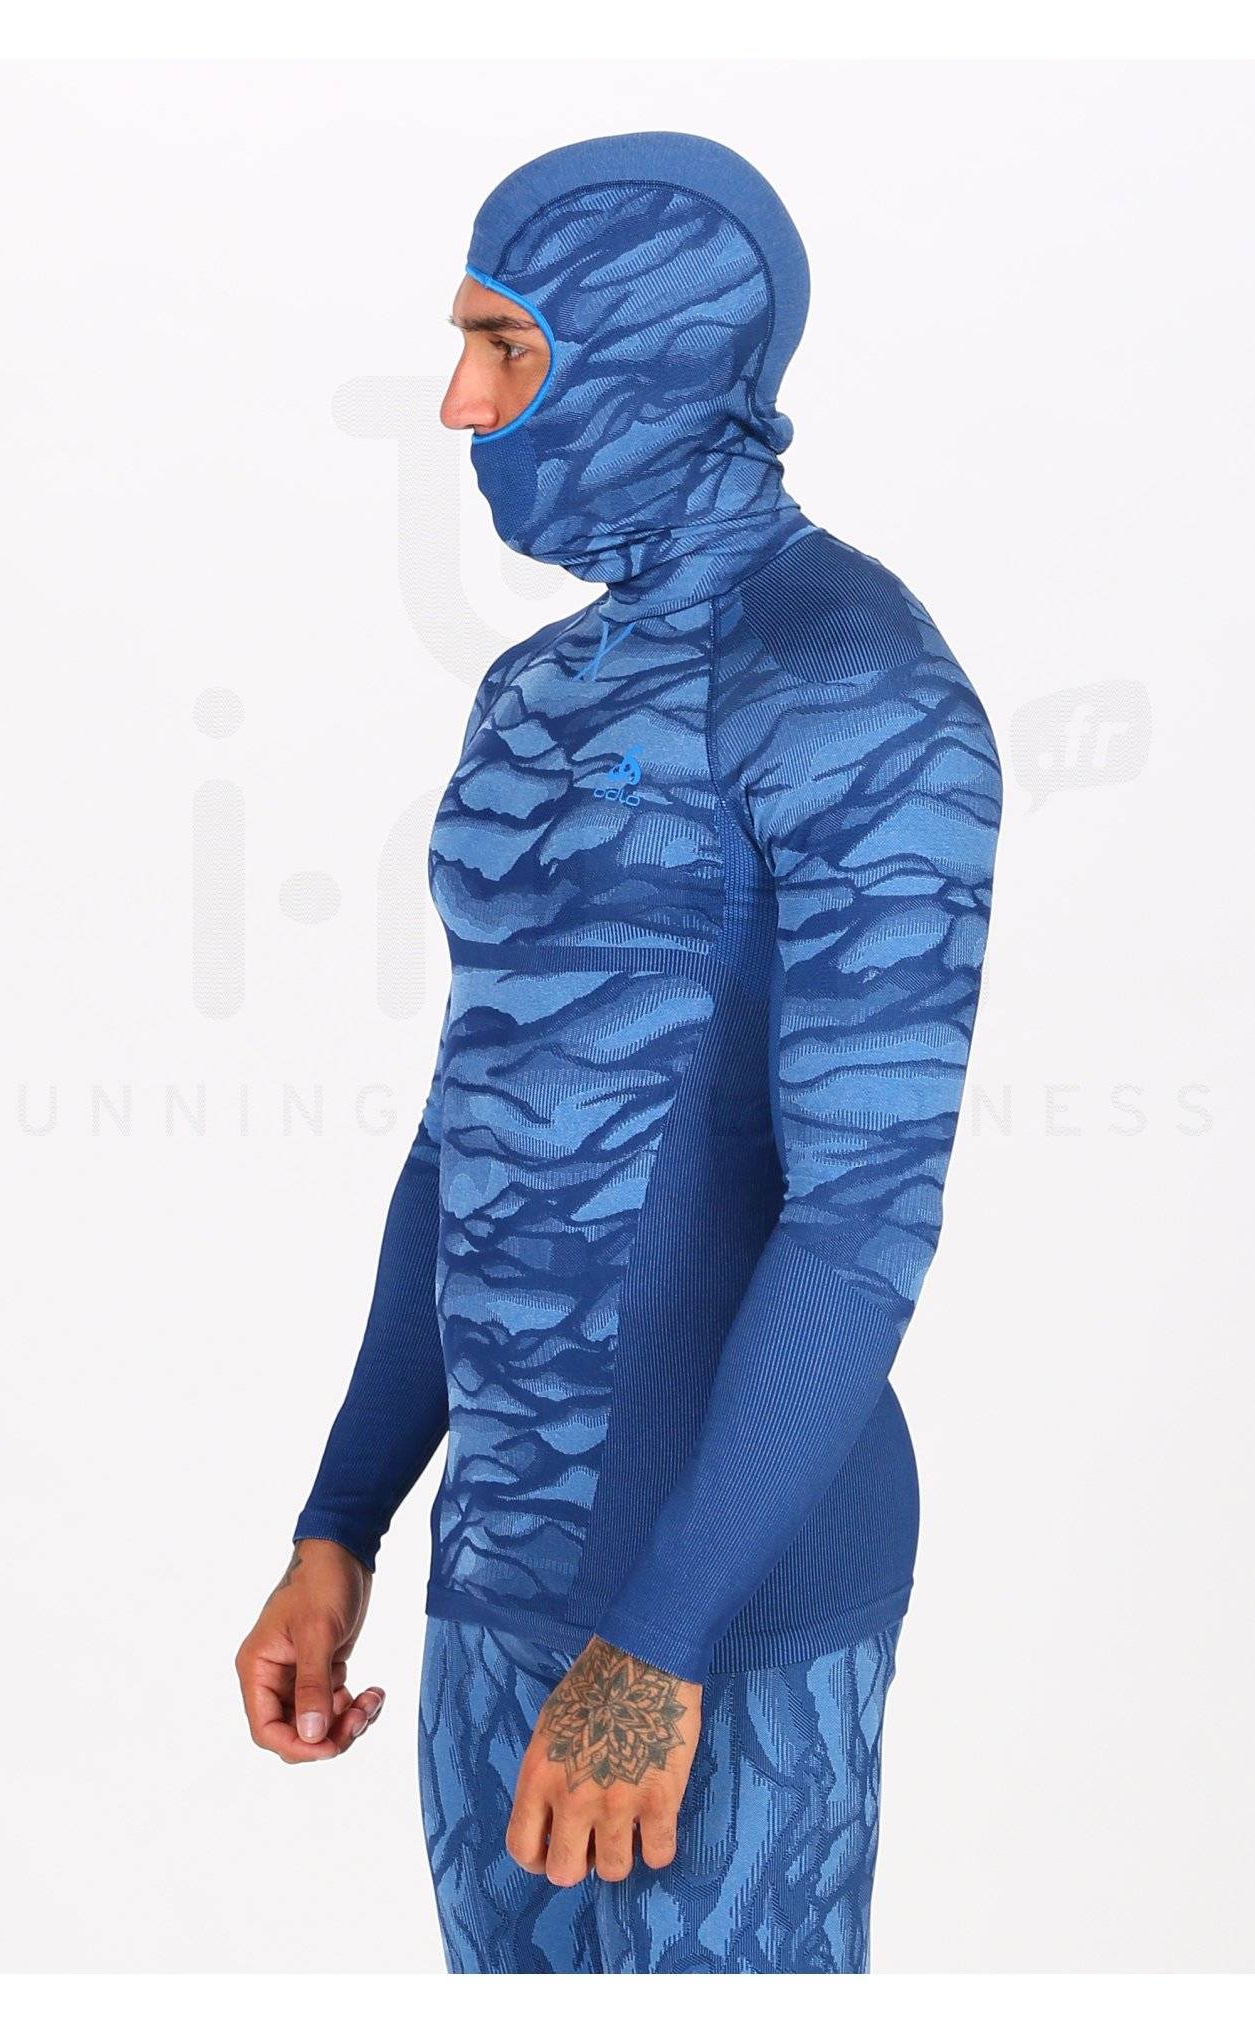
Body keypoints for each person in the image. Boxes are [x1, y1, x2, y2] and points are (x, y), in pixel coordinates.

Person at [235, 130, 1003, 1975]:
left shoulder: (855, 682)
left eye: (505, 346)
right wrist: (342, 1520)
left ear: (655, 348)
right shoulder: (535, 696)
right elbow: (472, 1135)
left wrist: (661, 1640)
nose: (457, 404)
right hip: (499, 1575)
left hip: (719, 1613)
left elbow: (865, 1218)